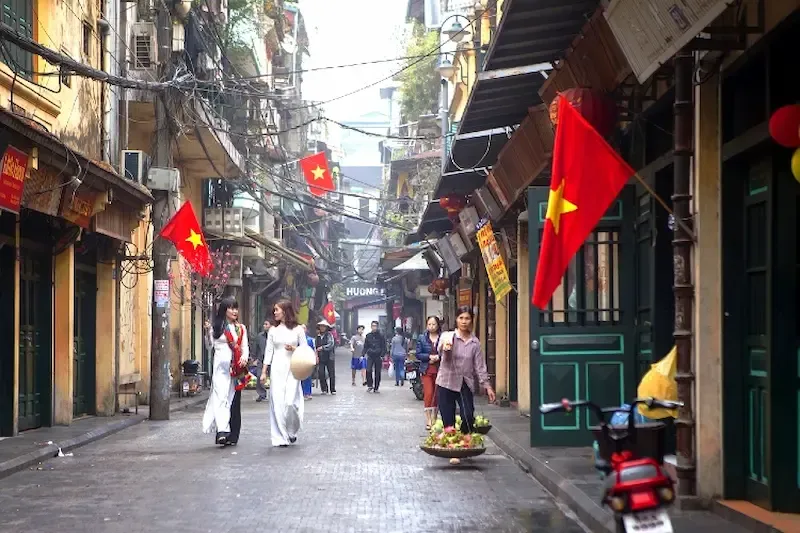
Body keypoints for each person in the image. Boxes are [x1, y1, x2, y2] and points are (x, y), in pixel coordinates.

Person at [437, 307, 496, 435]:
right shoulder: (448, 336)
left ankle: (465, 438)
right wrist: (445, 347)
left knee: (468, 416)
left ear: (471, 320)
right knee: (448, 421)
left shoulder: (475, 343)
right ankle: (451, 442)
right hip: (446, 382)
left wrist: (487, 386)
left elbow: (480, 366)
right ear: (456, 320)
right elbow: (440, 351)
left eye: (467, 318)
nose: (464, 321)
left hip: (465, 383)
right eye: (461, 318)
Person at [202, 297, 249, 446]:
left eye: (236, 308)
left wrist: (244, 358)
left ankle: (231, 433)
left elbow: (245, 346)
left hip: (236, 369)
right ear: (224, 310)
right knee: (220, 397)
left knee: (231, 400)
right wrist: (207, 332)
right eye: (231, 308)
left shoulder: (240, 328)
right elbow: (210, 346)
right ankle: (222, 430)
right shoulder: (217, 327)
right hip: (220, 369)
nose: (234, 311)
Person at [260, 299, 306, 447]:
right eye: (274, 310)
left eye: (277, 310)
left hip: (293, 367)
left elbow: (305, 350)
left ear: (285, 311)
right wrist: (264, 371)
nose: (274, 313)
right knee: (277, 402)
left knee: (290, 402)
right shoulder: (273, 330)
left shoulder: (298, 329)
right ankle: (280, 436)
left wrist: (294, 349)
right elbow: (268, 352)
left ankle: (292, 430)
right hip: (277, 368)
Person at [416, 316, 442, 430]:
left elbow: (447, 352)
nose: (431, 326)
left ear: (438, 325)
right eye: (429, 324)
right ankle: (428, 419)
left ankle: (435, 417)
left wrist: (438, 357)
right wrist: (429, 357)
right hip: (426, 369)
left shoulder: (442, 337)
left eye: (434, 324)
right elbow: (418, 354)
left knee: (437, 394)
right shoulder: (422, 338)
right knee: (429, 393)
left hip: (440, 370)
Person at [363, 321, 385, 393]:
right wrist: (363, 354)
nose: (374, 327)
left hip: (378, 356)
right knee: (368, 370)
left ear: (377, 327)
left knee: (377, 372)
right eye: (373, 326)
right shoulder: (368, 336)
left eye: (375, 326)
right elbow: (365, 346)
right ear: (371, 327)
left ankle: (376, 387)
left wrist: (382, 355)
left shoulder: (381, 336)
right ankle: (370, 385)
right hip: (370, 355)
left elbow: (383, 346)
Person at [315, 321, 336, 395]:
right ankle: (324, 389)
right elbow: (315, 346)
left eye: (324, 326)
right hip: (321, 357)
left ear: (326, 327)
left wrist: (323, 347)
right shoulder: (317, 336)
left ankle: (332, 389)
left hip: (329, 357)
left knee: (331, 373)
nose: (322, 328)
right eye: (321, 326)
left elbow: (331, 344)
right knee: (321, 373)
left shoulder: (329, 335)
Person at [252, 320, 271, 402]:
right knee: (259, 376)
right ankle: (262, 394)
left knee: (274, 377)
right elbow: (255, 347)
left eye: (266, 324)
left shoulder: (274, 336)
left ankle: (275, 394)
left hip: (272, 359)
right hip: (261, 359)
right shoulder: (260, 336)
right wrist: (254, 358)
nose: (264, 326)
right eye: (264, 324)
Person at [301, 325, 315, 401]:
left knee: (308, 377)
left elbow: (313, 350)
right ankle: (301, 392)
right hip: (299, 360)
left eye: (304, 328)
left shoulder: (310, 340)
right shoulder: (296, 340)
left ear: (306, 330)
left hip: (308, 359)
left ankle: (308, 393)